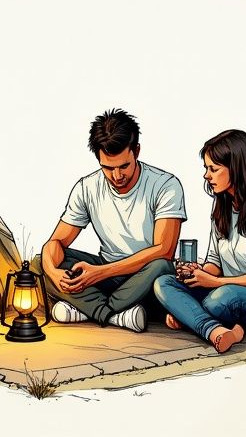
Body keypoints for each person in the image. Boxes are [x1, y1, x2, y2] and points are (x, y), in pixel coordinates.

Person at [39, 109, 186, 333]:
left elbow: (164, 250)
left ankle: (90, 310)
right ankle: (117, 315)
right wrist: (53, 271)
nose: (117, 176)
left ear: (136, 151)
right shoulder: (86, 187)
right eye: (107, 168)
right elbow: (56, 242)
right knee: (40, 261)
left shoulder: (165, 185)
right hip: (106, 275)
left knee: (163, 266)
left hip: (144, 277)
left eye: (123, 166)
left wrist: (100, 272)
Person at [154, 129, 246, 353]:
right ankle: (220, 331)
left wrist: (214, 283)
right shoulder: (222, 206)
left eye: (213, 169)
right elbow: (216, 262)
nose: (206, 175)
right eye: (206, 169)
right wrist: (198, 274)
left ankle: (193, 319)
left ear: (237, 168)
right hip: (227, 293)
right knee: (164, 283)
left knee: (221, 298)